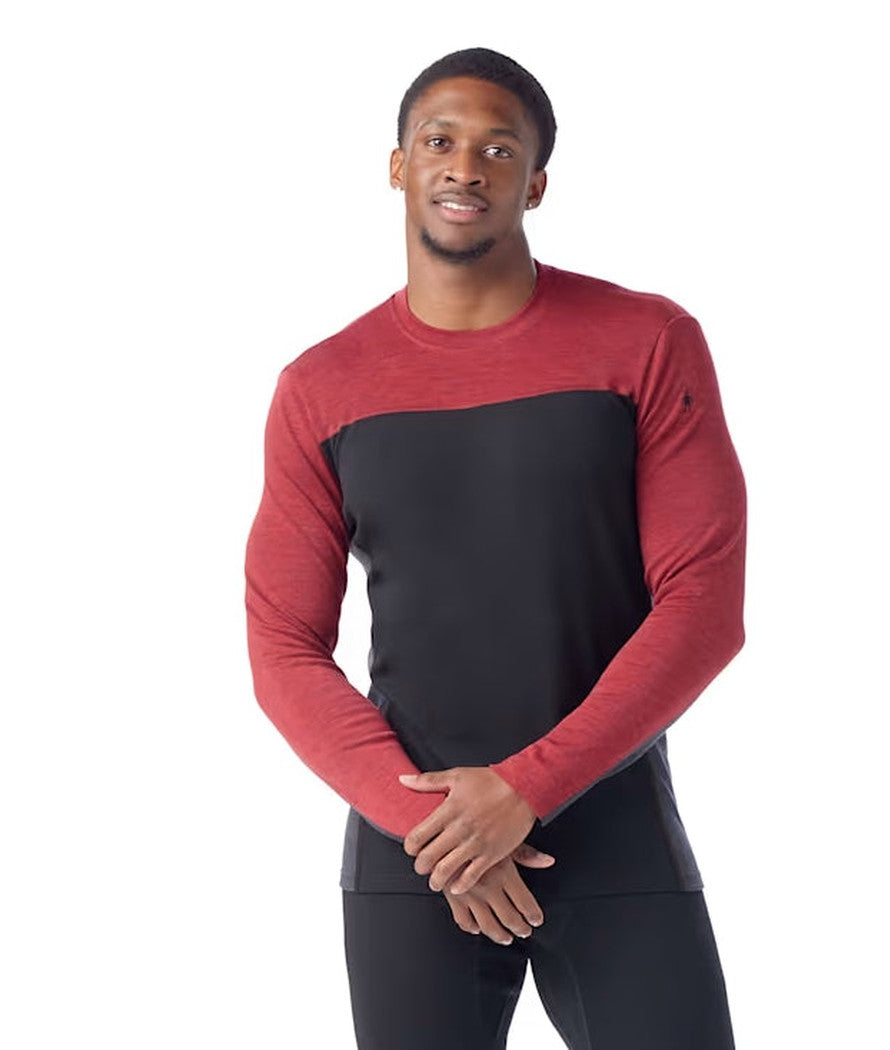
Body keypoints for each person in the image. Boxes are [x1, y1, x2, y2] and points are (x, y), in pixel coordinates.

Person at [245, 45, 746, 1050]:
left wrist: (522, 792)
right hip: (414, 847)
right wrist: (437, 831)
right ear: (399, 166)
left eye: (498, 148)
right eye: (440, 141)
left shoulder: (645, 342)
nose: (465, 167)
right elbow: (282, 647)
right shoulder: (321, 386)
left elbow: (703, 607)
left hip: (610, 833)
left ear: (536, 183)